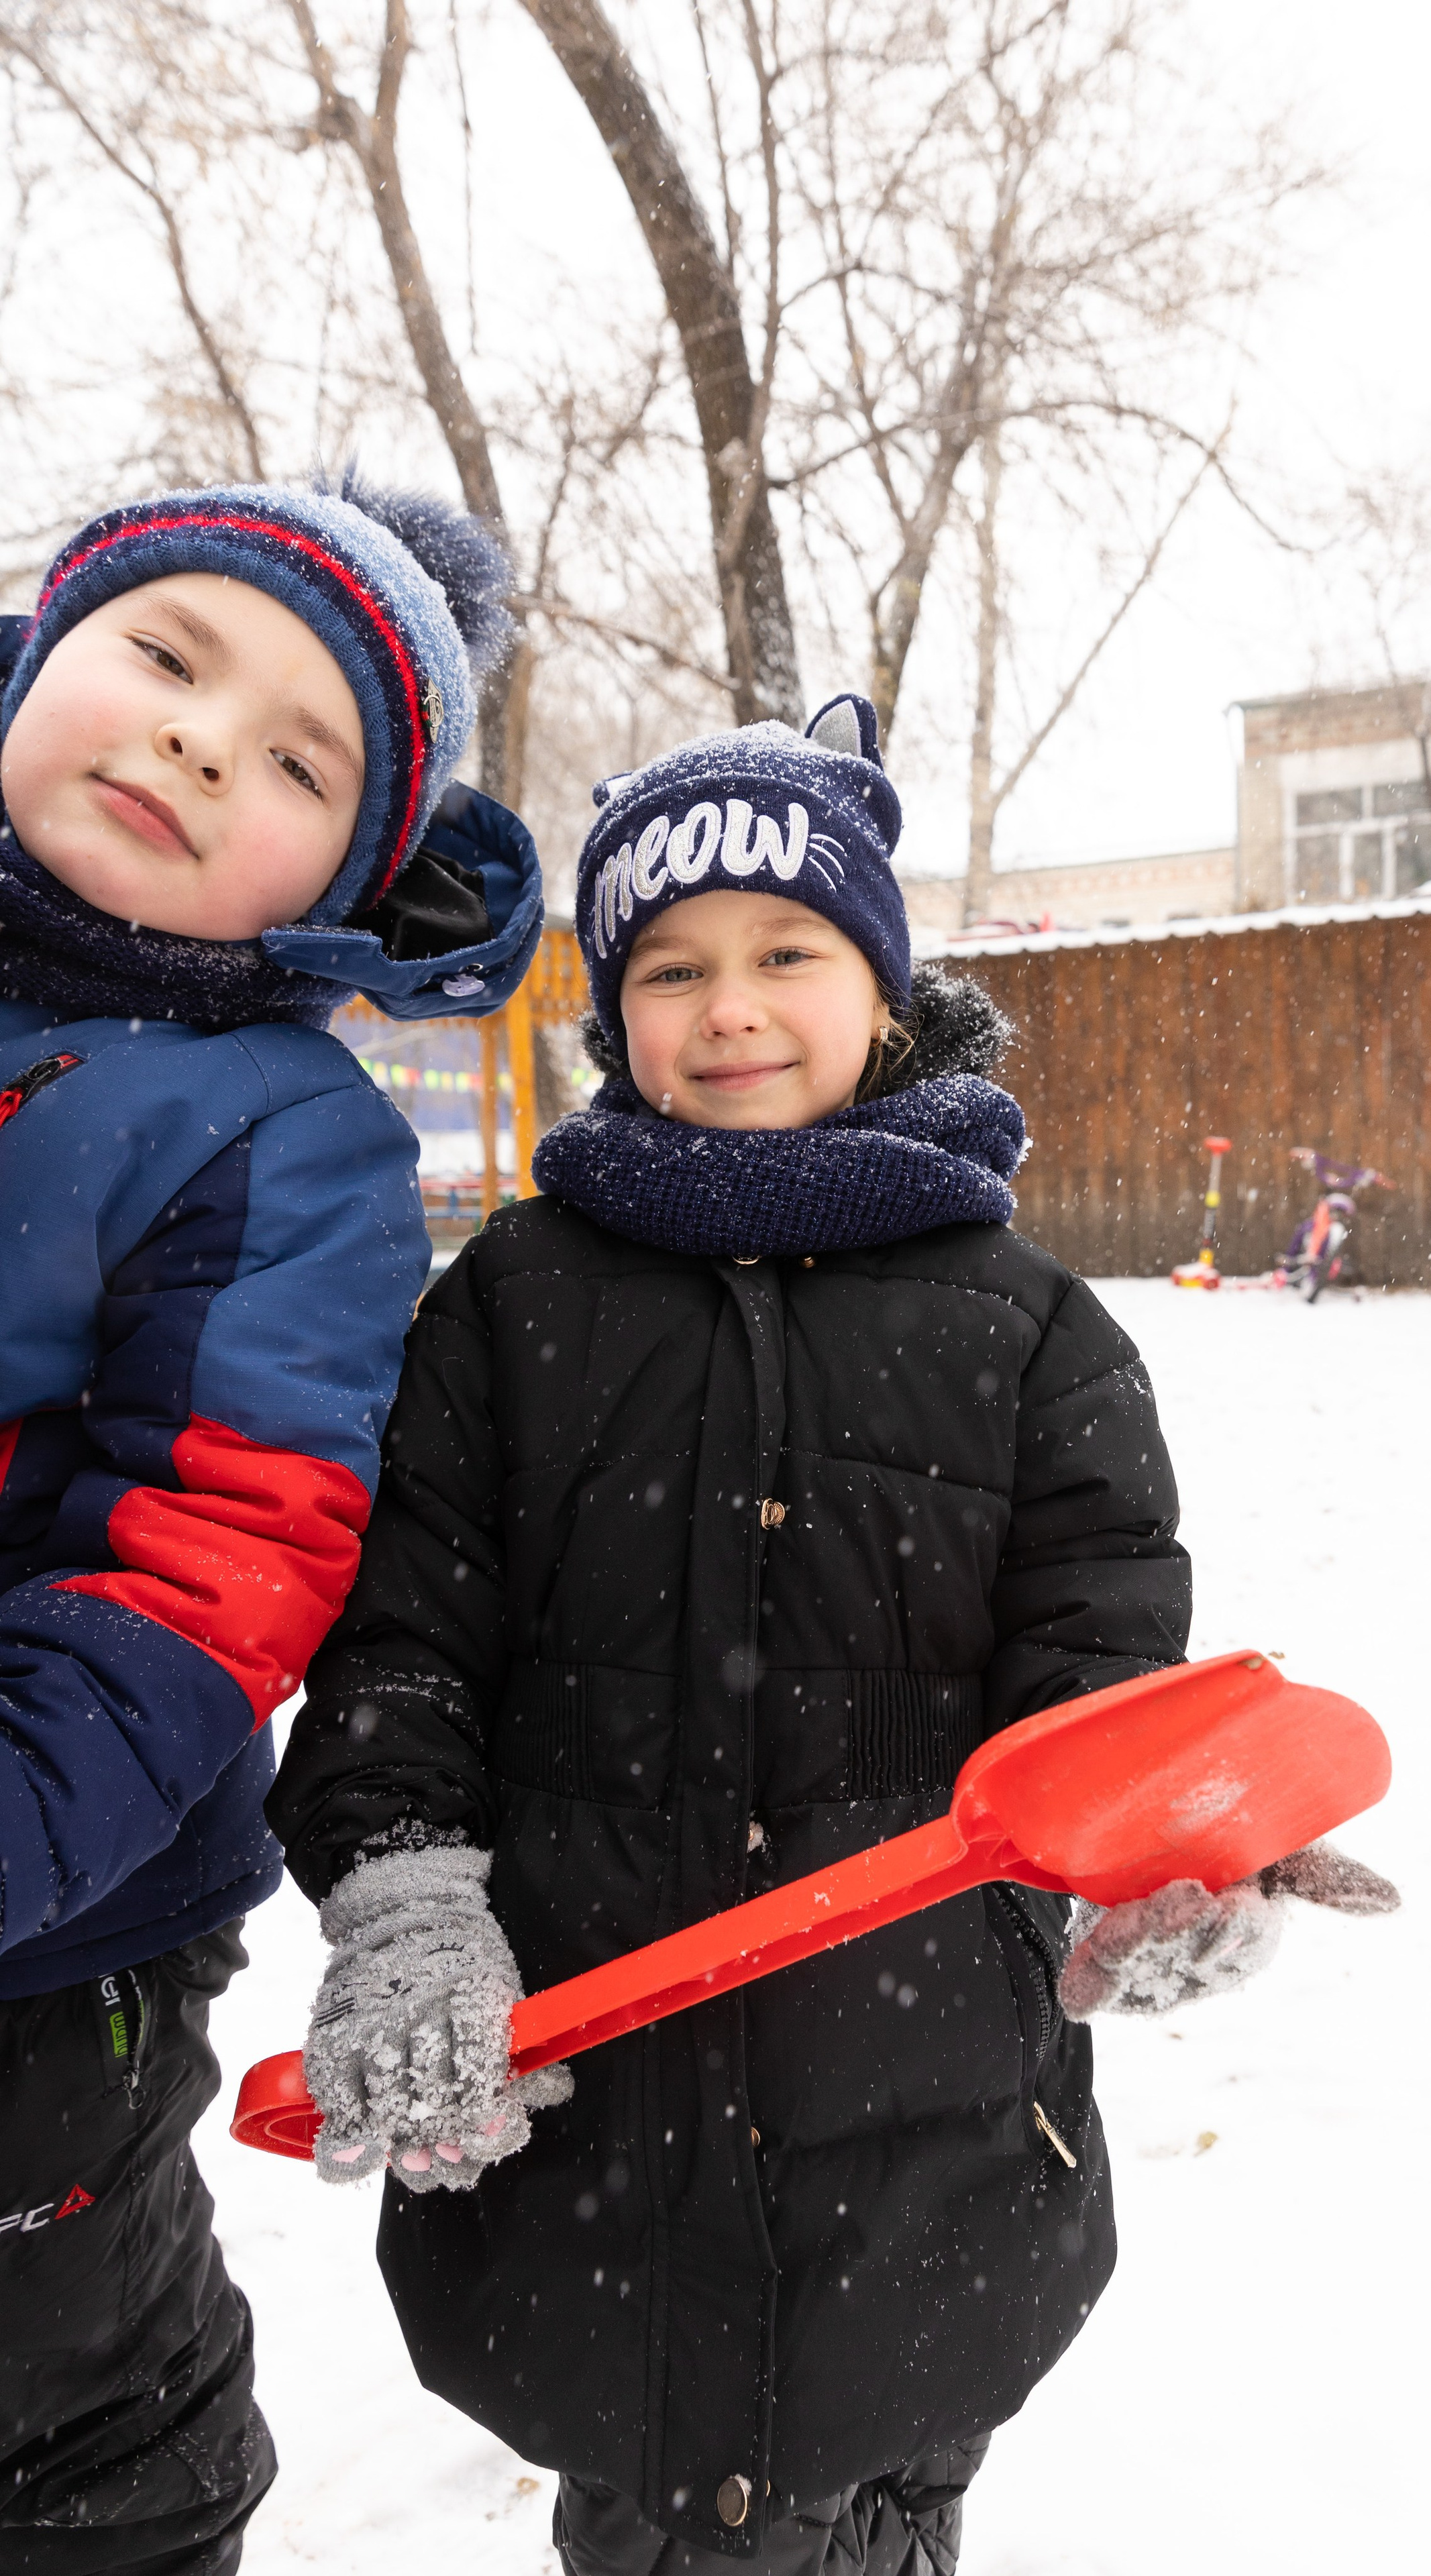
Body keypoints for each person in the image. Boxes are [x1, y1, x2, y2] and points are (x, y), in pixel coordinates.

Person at [267, 696, 1394, 2576]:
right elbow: (403, 1652)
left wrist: (1172, 1859)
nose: (730, 1008)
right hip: (601, 2141)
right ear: (613, 1011)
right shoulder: (510, 1309)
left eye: (788, 951)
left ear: (882, 987)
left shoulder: (1031, 1333)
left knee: (883, 2504)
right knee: (665, 2508)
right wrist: (406, 1902)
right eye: (671, 967)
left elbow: (1102, 1680)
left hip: (933, 2144)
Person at [0, 470, 542, 2573]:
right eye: (166, 653)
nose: (204, 740)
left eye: (301, 761)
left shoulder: (276, 1136)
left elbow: (220, 1552)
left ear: (348, 877)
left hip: (48, 1926)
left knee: (59, 2414)